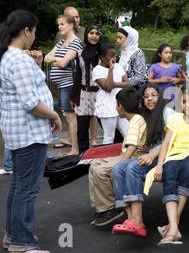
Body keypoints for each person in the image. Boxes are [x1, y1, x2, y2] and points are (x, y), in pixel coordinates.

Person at [0, 10, 62, 253]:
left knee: (19, 186)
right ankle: (21, 246)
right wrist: (55, 116)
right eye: (34, 31)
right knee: (26, 189)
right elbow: (30, 101)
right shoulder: (18, 59)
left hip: (19, 131)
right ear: (26, 31)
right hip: (29, 133)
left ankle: (14, 236)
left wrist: (36, 64)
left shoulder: (8, 57)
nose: (34, 37)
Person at [143, 83, 189, 245]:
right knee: (169, 174)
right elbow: (166, 143)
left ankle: (173, 226)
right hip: (174, 154)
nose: (188, 105)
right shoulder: (175, 118)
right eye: (184, 101)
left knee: (187, 170)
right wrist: (159, 166)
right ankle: (174, 227)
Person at [111, 83, 174, 237]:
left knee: (133, 167)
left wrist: (152, 155)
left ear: (160, 96)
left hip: (168, 155)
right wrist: (146, 148)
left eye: (153, 95)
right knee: (117, 169)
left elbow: (173, 142)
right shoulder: (148, 115)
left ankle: (137, 221)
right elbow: (156, 142)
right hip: (154, 153)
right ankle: (131, 218)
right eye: (146, 96)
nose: (149, 99)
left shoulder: (167, 112)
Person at [89, 87, 146, 226]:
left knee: (101, 171)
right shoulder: (137, 118)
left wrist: (119, 166)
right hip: (129, 153)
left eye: (116, 104)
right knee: (94, 165)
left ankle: (110, 208)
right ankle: (102, 207)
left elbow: (132, 146)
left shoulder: (135, 121)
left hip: (133, 157)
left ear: (120, 106)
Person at [45, 14, 83, 156]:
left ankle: (75, 150)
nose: (59, 27)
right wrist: (57, 59)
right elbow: (46, 57)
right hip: (62, 85)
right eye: (59, 25)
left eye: (62, 24)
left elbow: (62, 63)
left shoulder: (76, 43)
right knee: (67, 116)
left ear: (71, 25)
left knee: (70, 117)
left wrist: (55, 59)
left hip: (69, 84)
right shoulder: (61, 42)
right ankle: (73, 145)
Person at [70, 24, 102, 154]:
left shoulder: (103, 52)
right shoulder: (80, 53)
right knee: (82, 128)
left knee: (108, 125)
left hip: (100, 94)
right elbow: (78, 75)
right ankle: (83, 156)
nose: (94, 36)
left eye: (96, 33)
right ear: (86, 35)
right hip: (83, 94)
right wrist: (73, 96)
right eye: (91, 33)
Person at [93, 42, 130, 144]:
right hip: (107, 106)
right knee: (109, 137)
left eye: (115, 55)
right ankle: (106, 158)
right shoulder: (97, 70)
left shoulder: (119, 67)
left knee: (129, 132)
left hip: (121, 105)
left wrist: (114, 83)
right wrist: (111, 69)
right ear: (102, 57)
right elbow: (108, 88)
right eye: (111, 56)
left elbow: (127, 84)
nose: (115, 58)